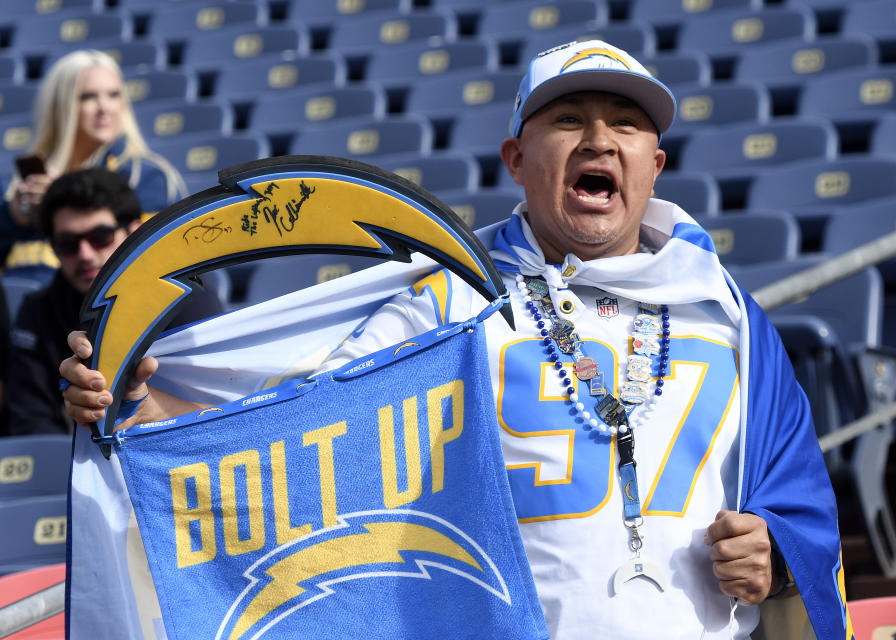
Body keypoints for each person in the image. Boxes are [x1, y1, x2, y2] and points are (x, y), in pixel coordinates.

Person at [60, 41, 848, 638]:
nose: (601, 140)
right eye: (569, 119)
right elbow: (298, 439)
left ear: (656, 162)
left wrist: (776, 558)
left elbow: (796, 498)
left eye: (628, 125)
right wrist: (134, 398)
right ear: (515, 158)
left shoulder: (727, 310)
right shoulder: (449, 298)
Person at [6, 168, 219, 436]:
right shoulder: (37, 310)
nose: (85, 254)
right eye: (67, 243)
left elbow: (223, 411)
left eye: (101, 237)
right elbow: (31, 421)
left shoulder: (188, 297)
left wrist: (144, 407)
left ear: (133, 231)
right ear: (51, 246)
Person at [1, 49, 186, 271]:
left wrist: (67, 203)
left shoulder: (148, 177)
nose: (104, 108)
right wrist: (13, 216)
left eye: (113, 95)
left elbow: (156, 265)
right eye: (88, 97)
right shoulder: (18, 188)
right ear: (60, 106)